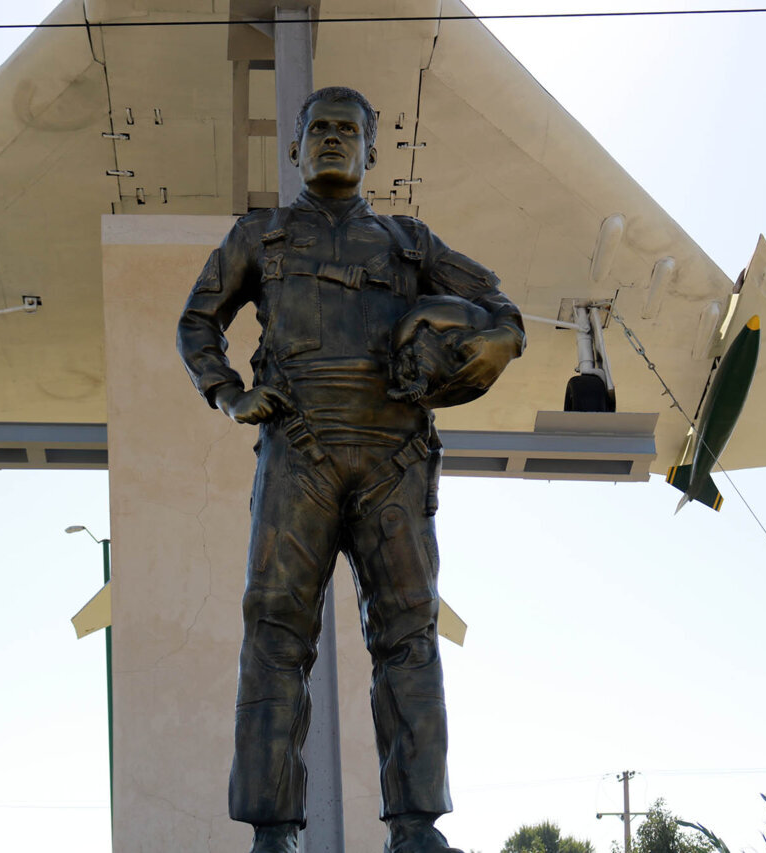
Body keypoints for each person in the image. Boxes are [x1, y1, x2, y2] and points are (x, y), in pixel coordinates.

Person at [176, 86, 525, 853]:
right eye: (318, 129)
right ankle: (273, 830)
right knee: (274, 631)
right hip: (297, 452)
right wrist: (228, 391)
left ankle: (416, 825)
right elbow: (197, 320)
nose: (332, 140)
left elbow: (500, 306)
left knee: (409, 634)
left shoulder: (410, 242)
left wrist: (494, 344)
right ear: (295, 147)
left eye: (348, 130)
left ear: (371, 148)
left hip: (394, 460)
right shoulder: (259, 235)